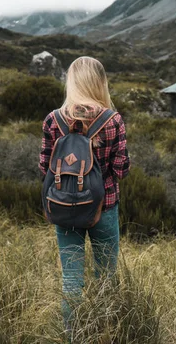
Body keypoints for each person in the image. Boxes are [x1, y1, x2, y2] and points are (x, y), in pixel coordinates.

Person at [39, 56, 130, 333]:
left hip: (64, 208)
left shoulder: (53, 120)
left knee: (71, 279)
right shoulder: (112, 120)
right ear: (100, 82)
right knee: (105, 277)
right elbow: (121, 169)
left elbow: (44, 166)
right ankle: (103, 334)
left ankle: (73, 336)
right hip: (105, 207)